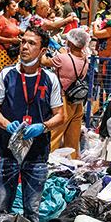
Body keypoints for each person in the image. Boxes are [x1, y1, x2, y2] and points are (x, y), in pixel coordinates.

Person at [0, 27, 64, 222]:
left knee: (32, 209)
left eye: (32, 43)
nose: (25, 47)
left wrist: (43, 127)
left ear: (43, 51)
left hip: (37, 153)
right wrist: (6, 124)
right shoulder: (7, 75)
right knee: (2, 207)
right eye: (23, 42)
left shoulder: (51, 79)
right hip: (7, 151)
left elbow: (60, 115)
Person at [43, 28, 89, 156]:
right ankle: (73, 162)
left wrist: (43, 50)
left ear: (72, 43)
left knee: (55, 134)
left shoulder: (62, 58)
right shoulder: (85, 60)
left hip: (63, 101)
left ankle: (48, 159)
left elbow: (44, 61)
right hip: (77, 101)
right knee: (73, 138)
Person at [0, 0, 22, 84]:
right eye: (13, 6)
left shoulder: (14, 20)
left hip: (14, 53)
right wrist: (11, 40)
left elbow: (18, 31)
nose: (16, 8)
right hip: (3, 53)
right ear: (7, 7)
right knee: (1, 77)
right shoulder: (0, 20)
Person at [92, 13, 111, 94]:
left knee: (109, 88)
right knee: (106, 86)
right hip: (110, 60)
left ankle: (110, 105)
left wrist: (95, 24)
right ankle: (104, 105)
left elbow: (96, 34)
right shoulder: (110, 30)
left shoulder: (110, 30)